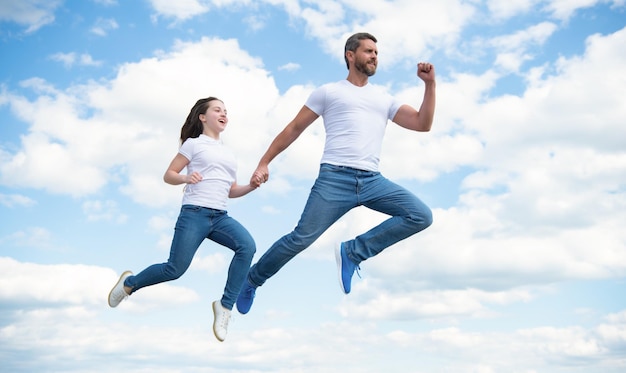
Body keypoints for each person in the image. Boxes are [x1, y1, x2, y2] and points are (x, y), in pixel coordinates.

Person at [236, 32, 436, 315]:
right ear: (350, 55)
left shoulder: (384, 98)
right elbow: (294, 128)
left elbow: (422, 123)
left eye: (376, 53)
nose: (374, 56)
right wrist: (264, 162)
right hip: (335, 178)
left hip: (372, 180)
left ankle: (354, 251)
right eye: (368, 51)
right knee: (300, 239)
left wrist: (429, 85)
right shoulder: (328, 92)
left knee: (420, 215)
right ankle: (251, 280)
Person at [108, 97, 258, 342]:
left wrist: (251, 186)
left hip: (220, 217)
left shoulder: (229, 155)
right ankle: (129, 284)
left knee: (247, 246)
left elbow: (231, 191)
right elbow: (169, 174)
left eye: (226, 111)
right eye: (217, 110)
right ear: (202, 116)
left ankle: (225, 306)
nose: (224, 114)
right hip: (194, 214)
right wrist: (185, 179)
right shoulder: (193, 144)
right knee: (174, 269)